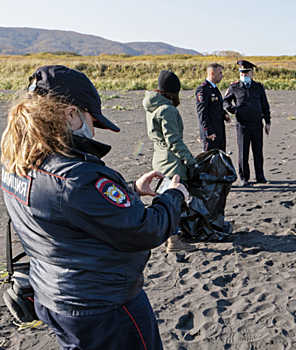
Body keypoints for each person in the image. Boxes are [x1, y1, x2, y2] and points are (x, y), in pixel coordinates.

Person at [1, 65, 189, 349]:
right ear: (71, 114)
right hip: (101, 304)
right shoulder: (76, 176)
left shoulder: (16, 161)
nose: (93, 128)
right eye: (92, 119)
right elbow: (147, 230)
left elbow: (63, 210)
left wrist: (129, 191)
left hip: (54, 296)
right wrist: (173, 197)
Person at [144, 70, 197, 252]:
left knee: (167, 200)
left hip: (159, 159)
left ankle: (173, 235)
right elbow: (173, 141)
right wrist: (190, 160)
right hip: (172, 163)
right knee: (174, 201)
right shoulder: (167, 110)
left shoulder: (152, 108)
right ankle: (174, 241)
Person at [223, 60, 271, 186]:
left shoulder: (259, 87)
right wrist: (234, 111)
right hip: (242, 125)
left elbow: (265, 106)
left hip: (257, 124)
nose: (244, 75)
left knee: (258, 152)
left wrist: (268, 122)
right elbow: (225, 102)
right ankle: (244, 178)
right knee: (243, 152)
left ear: (252, 73)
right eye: (242, 73)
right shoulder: (234, 87)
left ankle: (260, 177)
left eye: (246, 72)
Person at [196, 63, 231, 151]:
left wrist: (224, 115)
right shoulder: (203, 89)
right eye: (220, 73)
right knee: (210, 161)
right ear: (212, 73)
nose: (222, 76)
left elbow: (216, 107)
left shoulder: (214, 88)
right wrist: (208, 131)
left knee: (219, 161)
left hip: (219, 132)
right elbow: (202, 112)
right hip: (211, 134)